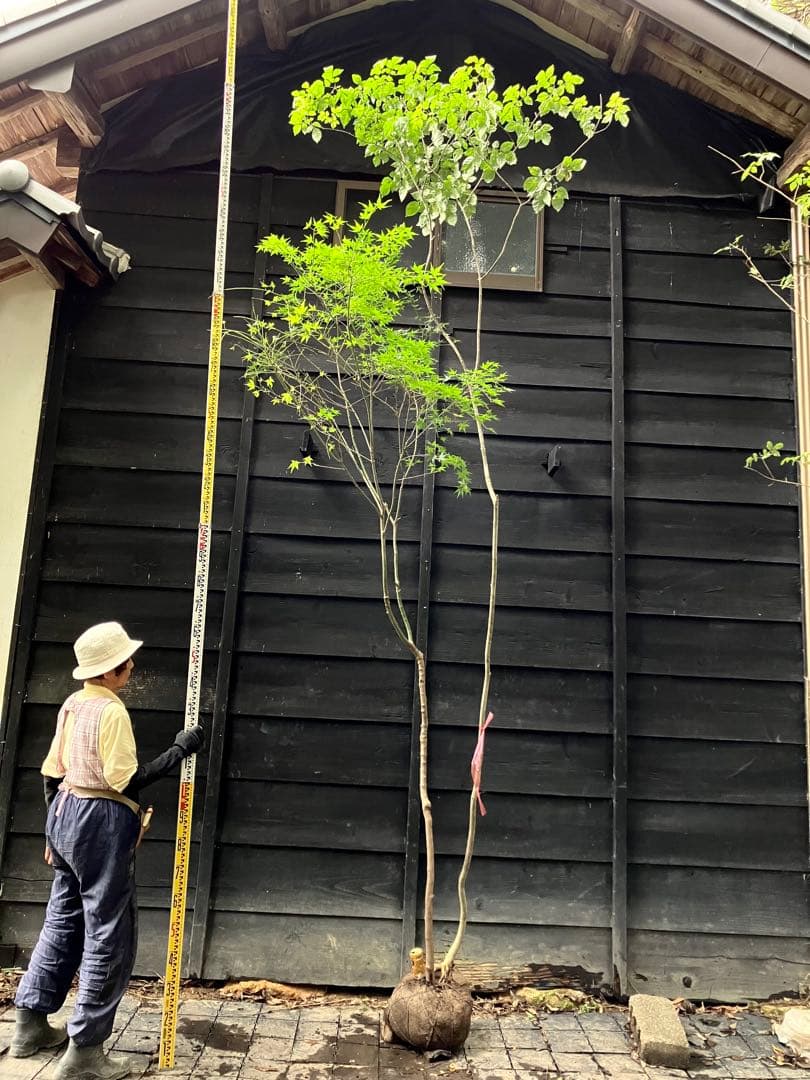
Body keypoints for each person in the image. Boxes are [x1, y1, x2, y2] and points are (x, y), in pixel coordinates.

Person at [10, 621, 205, 1080]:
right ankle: (85, 1053)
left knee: (61, 921)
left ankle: (29, 1026)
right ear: (110, 671)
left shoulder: (73, 704)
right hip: (100, 820)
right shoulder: (112, 712)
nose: (131, 666)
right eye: (125, 662)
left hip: (64, 811)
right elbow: (126, 781)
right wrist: (180, 749)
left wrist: (53, 834)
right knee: (108, 933)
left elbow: (51, 772)